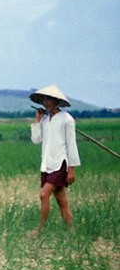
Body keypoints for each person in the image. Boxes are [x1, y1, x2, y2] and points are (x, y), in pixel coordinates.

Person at [29, 85, 81, 233]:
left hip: (60, 164)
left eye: (50, 99)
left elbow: (72, 145)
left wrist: (71, 170)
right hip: (47, 164)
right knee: (62, 201)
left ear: (57, 101)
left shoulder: (67, 119)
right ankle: (72, 231)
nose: (46, 102)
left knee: (43, 194)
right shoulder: (44, 120)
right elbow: (36, 140)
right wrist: (37, 122)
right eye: (45, 99)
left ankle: (40, 229)